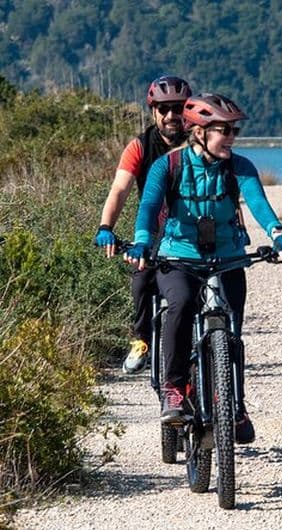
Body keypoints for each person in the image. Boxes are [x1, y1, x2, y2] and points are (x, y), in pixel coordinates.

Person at [125, 93, 282, 444]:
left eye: (234, 130)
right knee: (180, 304)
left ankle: (235, 404)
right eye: (224, 130)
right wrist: (142, 241)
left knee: (232, 330)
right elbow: (148, 208)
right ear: (199, 132)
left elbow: (258, 203)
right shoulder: (168, 166)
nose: (232, 137)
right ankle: (174, 389)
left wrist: (278, 235)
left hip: (227, 256)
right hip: (178, 255)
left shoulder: (239, 166)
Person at [94, 75, 193, 374]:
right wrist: (106, 227)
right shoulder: (139, 147)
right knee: (141, 279)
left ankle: (219, 337)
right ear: (153, 112)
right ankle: (142, 341)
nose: (171, 115)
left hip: (194, 230)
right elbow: (119, 189)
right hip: (154, 230)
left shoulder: (200, 143)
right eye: (164, 109)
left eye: (178, 108)